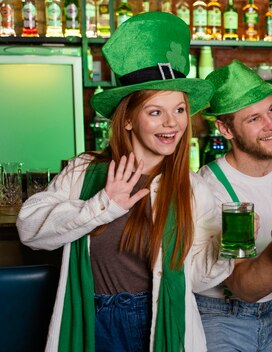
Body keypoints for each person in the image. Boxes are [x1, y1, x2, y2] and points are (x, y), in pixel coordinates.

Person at [16, 12, 232, 352]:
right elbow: (30, 231)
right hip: (92, 320)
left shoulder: (191, 188)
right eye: (155, 111)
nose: (172, 123)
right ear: (128, 119)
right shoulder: (83, 172)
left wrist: (227, 249)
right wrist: (104, 205)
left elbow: (196, 278)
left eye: (178, 110)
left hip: (156, 322)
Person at [196, 60, 272, 351]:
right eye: (254, 119)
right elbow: (243, 288)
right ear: (226, 129)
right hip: (218, 316)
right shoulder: (208, 188)